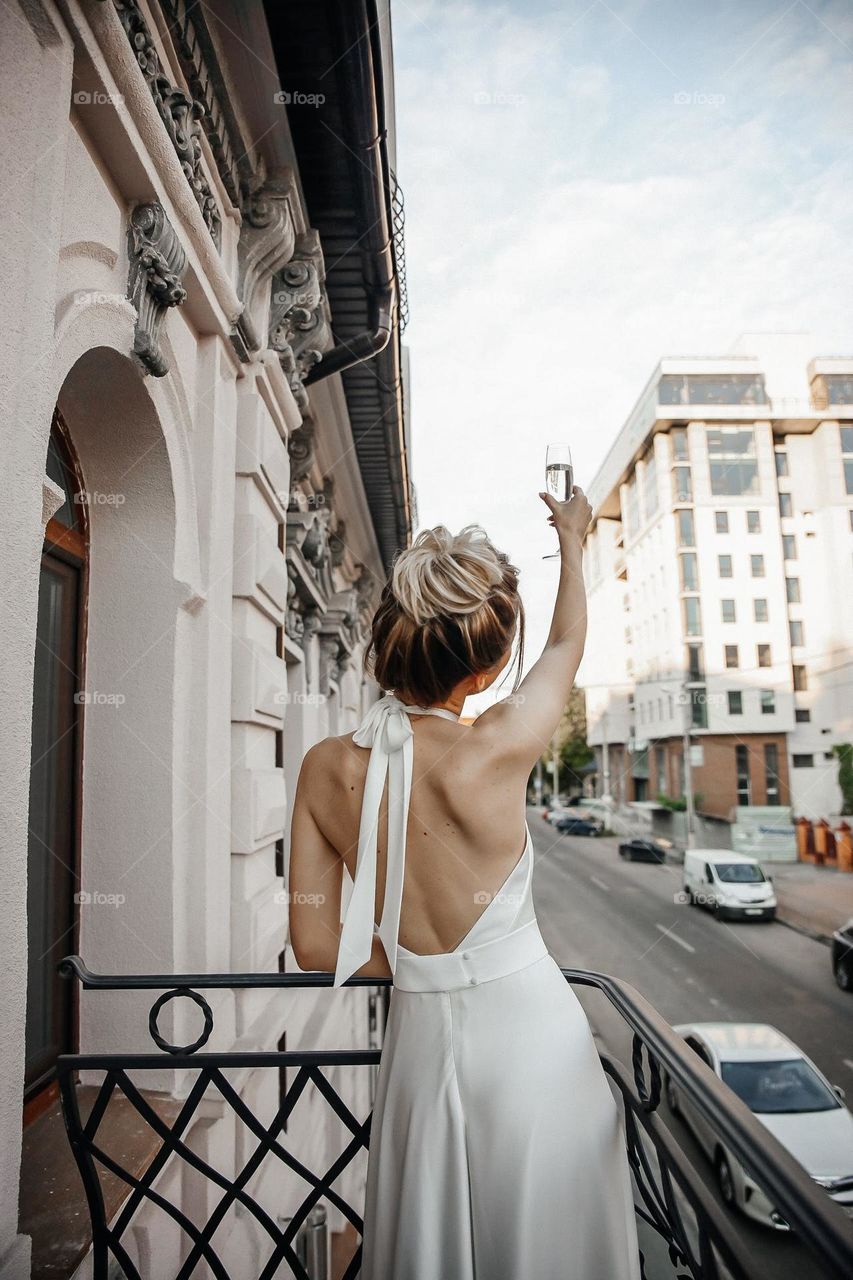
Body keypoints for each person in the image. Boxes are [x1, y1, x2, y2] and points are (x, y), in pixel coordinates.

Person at [288, 486, 640, 1280]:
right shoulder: (501, 744)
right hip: (531, 1038)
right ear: (482, 668)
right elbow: (566, 647)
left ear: (388, 640)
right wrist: (575, 544)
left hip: (416, 1042)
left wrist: (424, 968)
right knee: (546, 1235)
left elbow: (314, 942)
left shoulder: (322, 769)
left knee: (431, 1238)